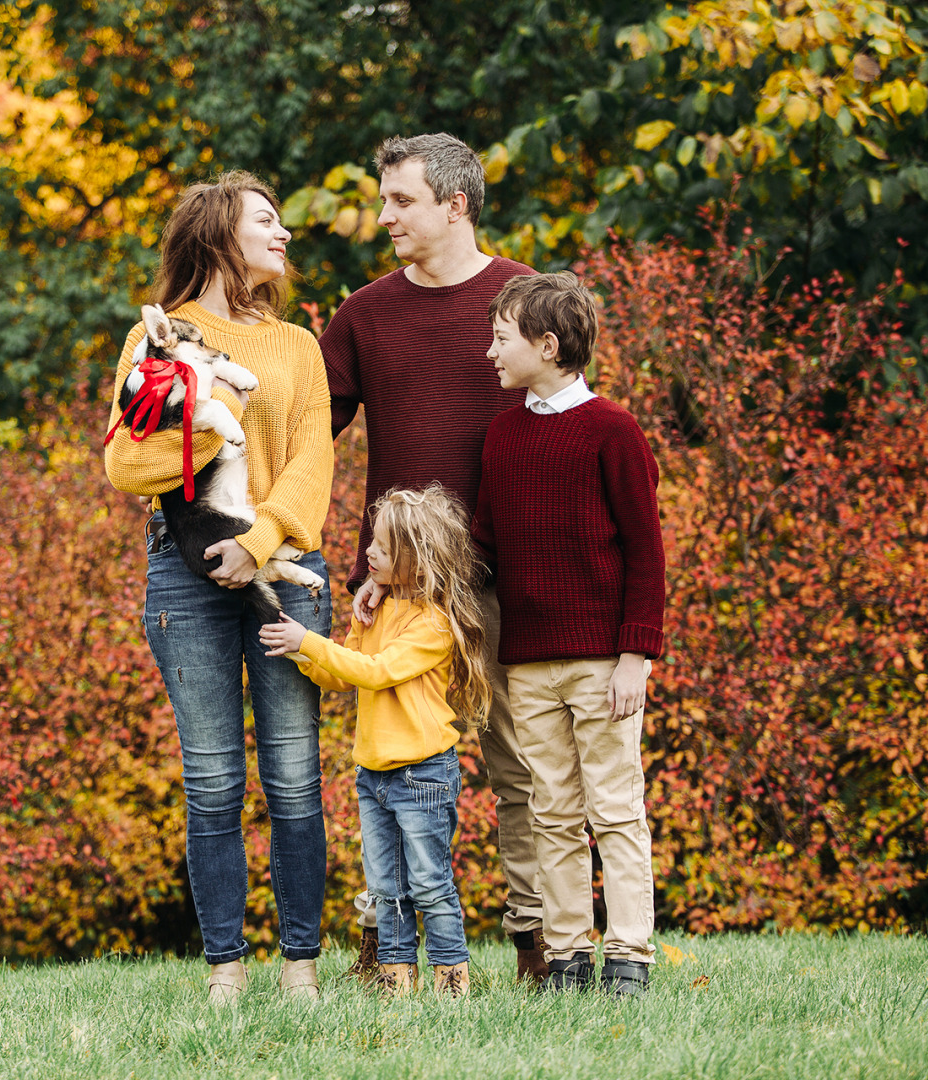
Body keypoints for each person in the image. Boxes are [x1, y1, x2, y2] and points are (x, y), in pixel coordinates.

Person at [321, 133, 549, 984]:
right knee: (388, 767)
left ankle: (536, 943)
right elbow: (312, 436)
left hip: (500, 586)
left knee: (516, 769)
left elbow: (563, 428)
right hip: (399, 593)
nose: (384, 218)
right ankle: (388, 943)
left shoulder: (520, 299)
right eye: (384, 200)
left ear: (456, 205)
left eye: (401, 201)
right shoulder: (365, 314)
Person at [103, 171, 335, 1004]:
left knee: (294, 776)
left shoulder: (300, 345)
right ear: (217, 236)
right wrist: (206, 431)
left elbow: (316, 459)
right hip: (187, 572)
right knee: (212, 780)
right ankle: (227, 972)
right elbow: (124, 463)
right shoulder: (159, 338)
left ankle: (301, 968)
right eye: (266, 221)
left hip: (284, 570)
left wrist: (262, 537)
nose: (283, 236)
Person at [473, 272, 666, 997]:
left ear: (547, 346)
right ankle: (566, 955)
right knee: (551, 810)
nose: (489, 351)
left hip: (602, 663)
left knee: (614, 807)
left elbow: (646, 554)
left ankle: (629, 955)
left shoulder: (612, 431)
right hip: (528, 663)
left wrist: (634, 655)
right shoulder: (503, 434)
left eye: (500, 338)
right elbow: (486, 543)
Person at [259, 485, 490, 998]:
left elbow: (378, 671)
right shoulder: (376, 610)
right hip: (374, 776)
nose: (369, 553)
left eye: (382, 549)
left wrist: (310, 642)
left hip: (423, 774)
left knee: (430, 885)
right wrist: (301, 652)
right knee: (386, 889)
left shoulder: (433, 624)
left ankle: (452, 981)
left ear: (413, 556)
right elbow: (344, 676)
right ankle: (395, 980)